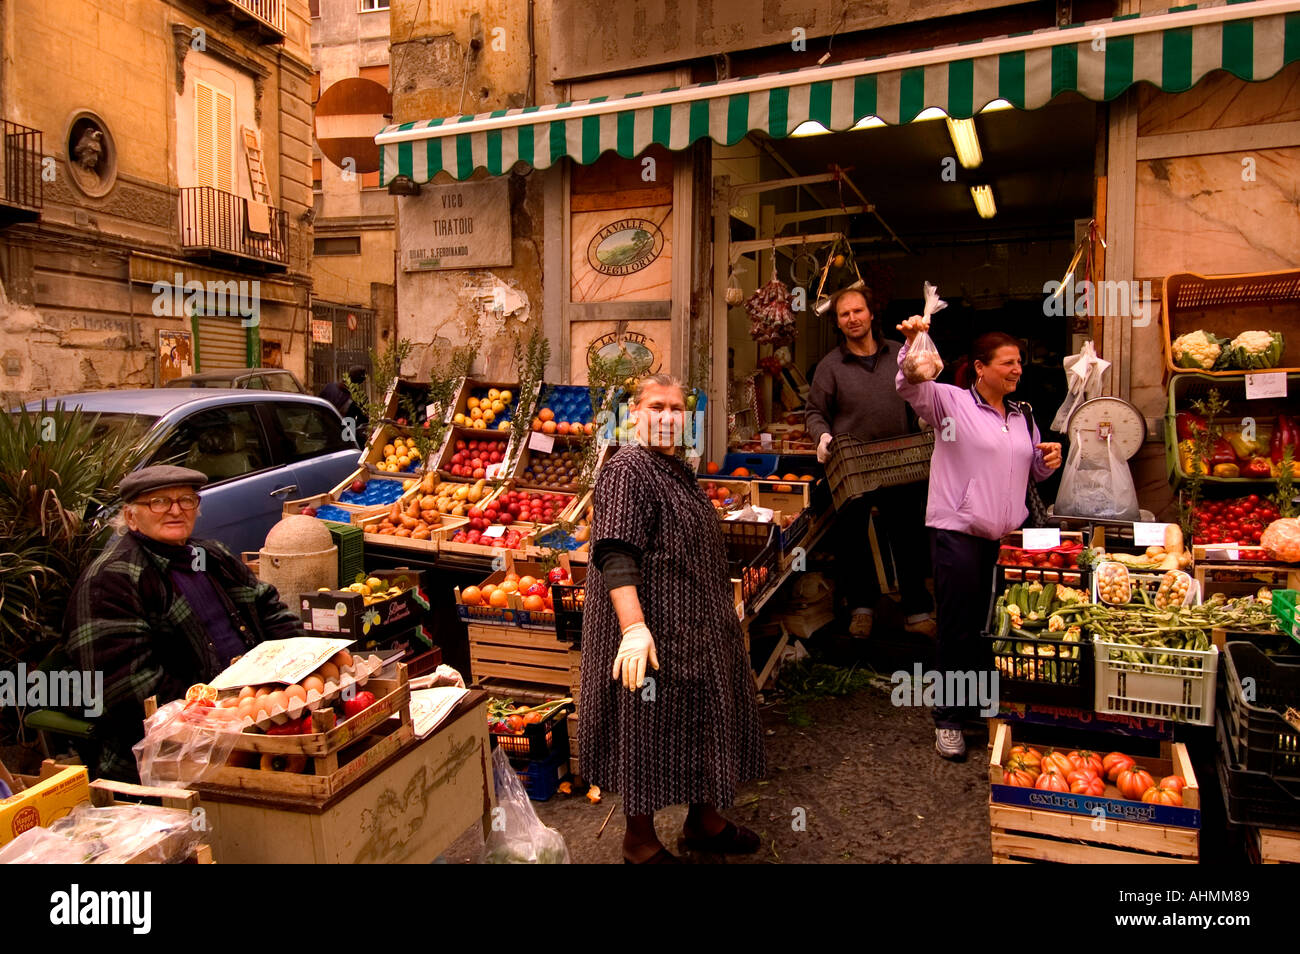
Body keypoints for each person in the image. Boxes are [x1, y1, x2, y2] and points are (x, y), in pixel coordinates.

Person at [578, 373, 766, 863]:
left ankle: (704, 822)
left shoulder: (673, 466)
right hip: (651, 629)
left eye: (676, 409)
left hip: (695, 626)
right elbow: (616, 552)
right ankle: (639, 842)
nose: (666, 416)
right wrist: (634, 629)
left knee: (701, 717)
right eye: (656, 407)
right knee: (646, 727)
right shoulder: (627, 468)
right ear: (633, 414)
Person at [64, 465, 303, 781]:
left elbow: (267, 606)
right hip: (172, 751)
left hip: (256, 712)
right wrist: (222, 705)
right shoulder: (111, 581)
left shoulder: (208, 555)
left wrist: (298, 663)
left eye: (186, 500)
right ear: (131, 516)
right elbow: (126, 690)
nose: (175, 510)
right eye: (159, 502)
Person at [894, 324, 1062, 760]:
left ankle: (984, 709)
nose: (1017, 370)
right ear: (981, 368)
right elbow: (909, 382)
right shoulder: (949, 401)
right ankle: (948, 718)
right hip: (959, 534)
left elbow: (1030, 471)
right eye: (1008, 363)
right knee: (958, 628)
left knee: (998, 629)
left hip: (1007, 538)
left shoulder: (1021, 412)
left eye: (1019, 363)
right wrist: (915, 341)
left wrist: (1048, 461)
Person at [806, 286, 935, 639]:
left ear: (871, 313)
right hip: (852, 466)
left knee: (908, 537)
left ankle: (918, 611)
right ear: (838, 322)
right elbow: (815, 411)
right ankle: (861, 608)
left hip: (900, 460)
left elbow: (922, 395)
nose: (853, 319)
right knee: (852, 541)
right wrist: (822, 437)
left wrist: (926, 420)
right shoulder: (830, 367)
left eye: (858, 311)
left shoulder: (900, 354)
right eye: (845, 314)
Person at [319, 365, 368, 430]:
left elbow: (317, 408)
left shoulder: (329, 387)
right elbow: (362, 424)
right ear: (361, 381)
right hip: (343, 435)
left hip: (321, 432)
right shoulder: (360, 398)